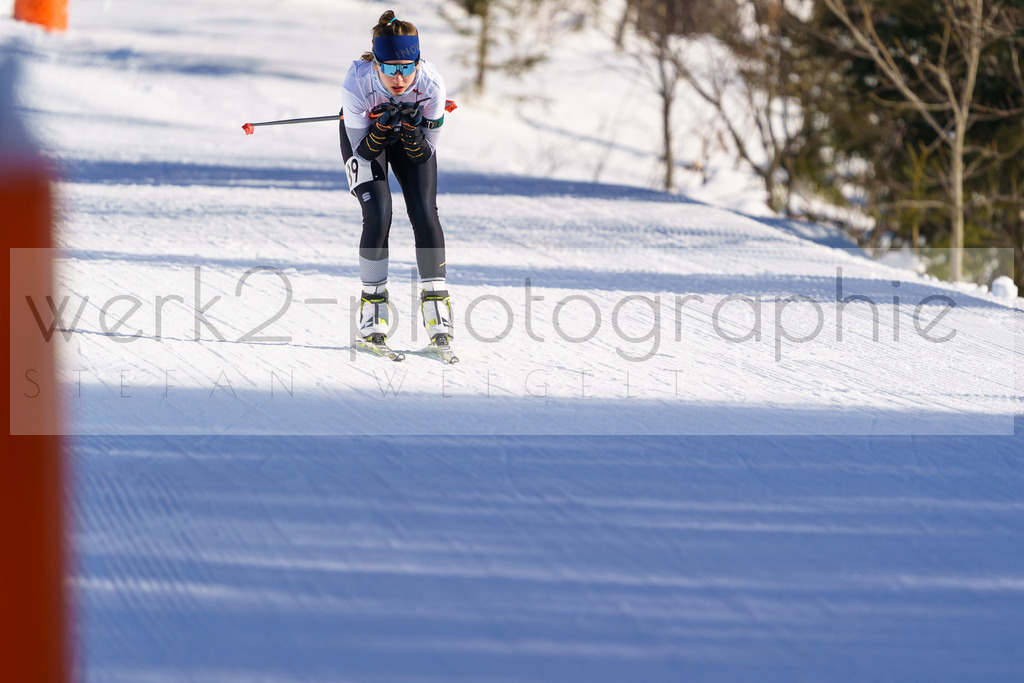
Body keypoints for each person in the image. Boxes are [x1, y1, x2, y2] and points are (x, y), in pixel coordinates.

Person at [340, 10, 454, 352]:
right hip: (366, 137)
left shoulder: (432, 86)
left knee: (424, 210)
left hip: (409, 136)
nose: (399, 78)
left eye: (407, 68)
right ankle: (372, 307)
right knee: (379, 212)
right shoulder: (357, 83)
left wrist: (411, 135)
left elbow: (426, 154)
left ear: (418, 64)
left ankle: (437, 306)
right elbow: (362, 148)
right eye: (389, 68)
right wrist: (381, 130)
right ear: (376, 65)